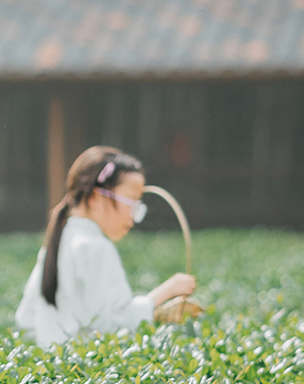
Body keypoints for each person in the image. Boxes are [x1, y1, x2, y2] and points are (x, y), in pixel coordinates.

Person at [15, 146, 196, 344]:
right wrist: (168, 291)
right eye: (131, 201)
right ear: (95, 197)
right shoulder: (95, 247)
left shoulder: (59, 240)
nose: (133, 216)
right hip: (85, 363)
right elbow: (114, 326)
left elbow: (26, 319)